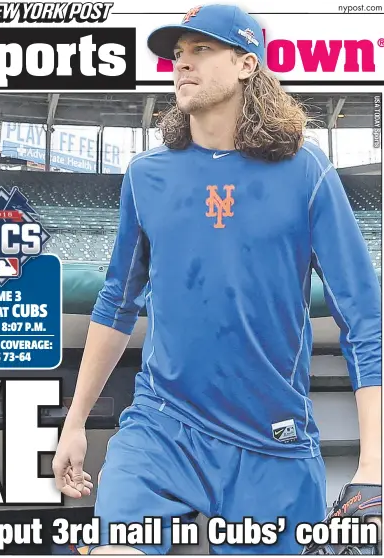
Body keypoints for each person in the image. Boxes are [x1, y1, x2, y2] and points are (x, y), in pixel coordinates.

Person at [51, 4, 382, 555]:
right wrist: (75, 422)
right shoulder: (146, 175)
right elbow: (116, 303)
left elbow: (365, 320)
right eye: (177, 54)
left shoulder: (308, 170)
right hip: (161, 425)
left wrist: (372, 463)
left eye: (200, 50)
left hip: (271, 438)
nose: (182, 64)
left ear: (247, 63)